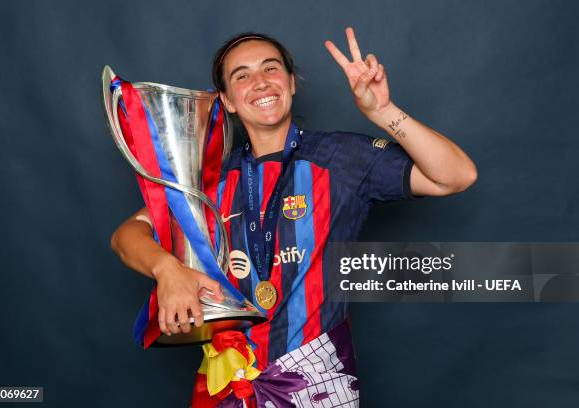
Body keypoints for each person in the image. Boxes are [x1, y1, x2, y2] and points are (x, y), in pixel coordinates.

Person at [111, 28, 477, 406]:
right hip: (229, 383)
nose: (260, 83)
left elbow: (456, 176)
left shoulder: (340, 157)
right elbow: (127, 235)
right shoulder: (212, 179)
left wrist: (382, 112)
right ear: (228, 101)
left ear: (290, 82)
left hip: (319, 384)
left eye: (271, 69)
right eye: (242, 75)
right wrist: (167, 270)